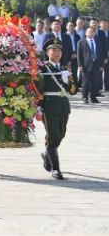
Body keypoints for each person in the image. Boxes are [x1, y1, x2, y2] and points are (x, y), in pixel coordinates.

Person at [36, 37, 77, 180]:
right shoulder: (43, 68)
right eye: (53, 50)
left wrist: (68, 80)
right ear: (47, 52)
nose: (57, 53)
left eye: (59, 50)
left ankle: (46, 154)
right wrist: (38, 106)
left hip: (63, 105)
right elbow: (38, 88)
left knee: (61, 134)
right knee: (53, 135)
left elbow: (73, 91)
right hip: (49, 105)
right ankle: (56, 169)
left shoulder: (65, 68)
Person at [78, 26, 100, 104]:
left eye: (93, 32)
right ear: (86, 33)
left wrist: (101, 64)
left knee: (94, 82)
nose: (91, 33)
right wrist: (80, 65)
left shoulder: (97, 41)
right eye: (89, 31)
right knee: (85, 82)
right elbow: (79, 55)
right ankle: (85, 97)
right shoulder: (81, 42)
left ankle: (93, 98)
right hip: (85, 65)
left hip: (96, 64)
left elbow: (99, 52)